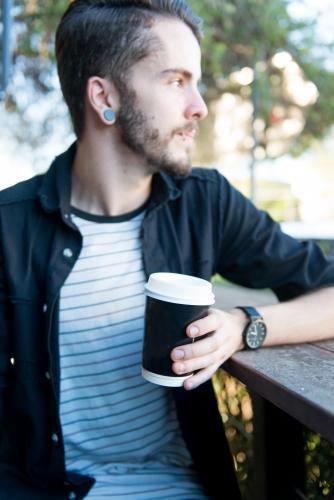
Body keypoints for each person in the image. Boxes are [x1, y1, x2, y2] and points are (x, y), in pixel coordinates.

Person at [0, 0, 334, 498]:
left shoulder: (205, 203)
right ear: (104, 95)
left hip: (178, 486)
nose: (199, 106)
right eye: (177, 81)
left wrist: (245, 326)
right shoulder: (10, 227)